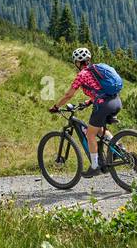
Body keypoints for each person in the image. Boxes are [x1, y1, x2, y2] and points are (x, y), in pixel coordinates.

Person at [49, 47, 121, 176]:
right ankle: (119, 148)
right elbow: (99, 90)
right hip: (116, 101)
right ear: (88, 59)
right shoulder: (97, 70)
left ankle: (95, 166)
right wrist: (88, 102)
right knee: (98, 129)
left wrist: (56, 107)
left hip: (103, 105)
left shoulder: (81, 75)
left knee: (90, 134)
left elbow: (68, 95)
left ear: (77, 62)